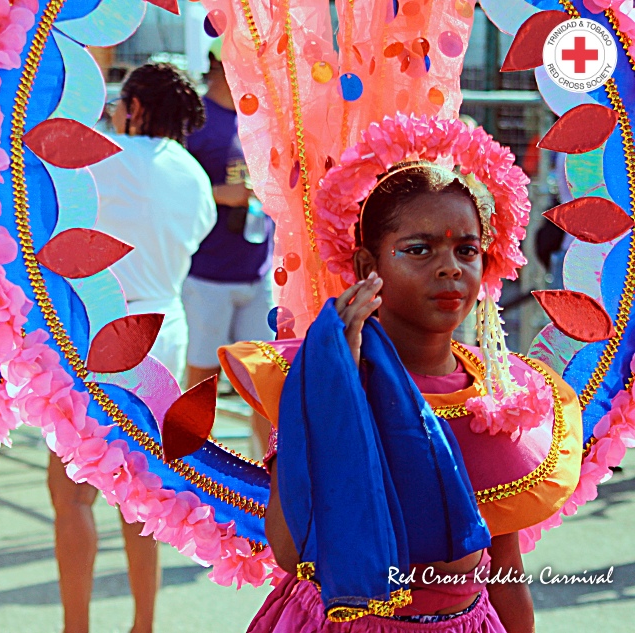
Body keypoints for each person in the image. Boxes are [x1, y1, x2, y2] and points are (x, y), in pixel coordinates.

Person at [222, 117, 582, 632]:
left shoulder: (501, 398)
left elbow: (505, 573)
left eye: (467, 250)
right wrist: (333, 386)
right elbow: (290, 546)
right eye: (418, 249)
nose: (450, 267)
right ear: (369, 262)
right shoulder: (321, 377)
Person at [49, 62, 215, 633]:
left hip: (96, 335)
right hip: (166, 338)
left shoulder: (104, 158)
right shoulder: (195, 177)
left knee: (72, 495)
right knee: (142, 498)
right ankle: (143, 625)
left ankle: (77, 627)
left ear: (135, 106)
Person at [183, 41, 274, 453]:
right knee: (203, 379)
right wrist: (223, 193)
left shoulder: (262, 118)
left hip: (258, 270)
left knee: (266, 379)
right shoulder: (195, 119)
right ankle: (198, 473)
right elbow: (177, 188)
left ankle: (270, 474)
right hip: (208, 273)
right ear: (220, 64)